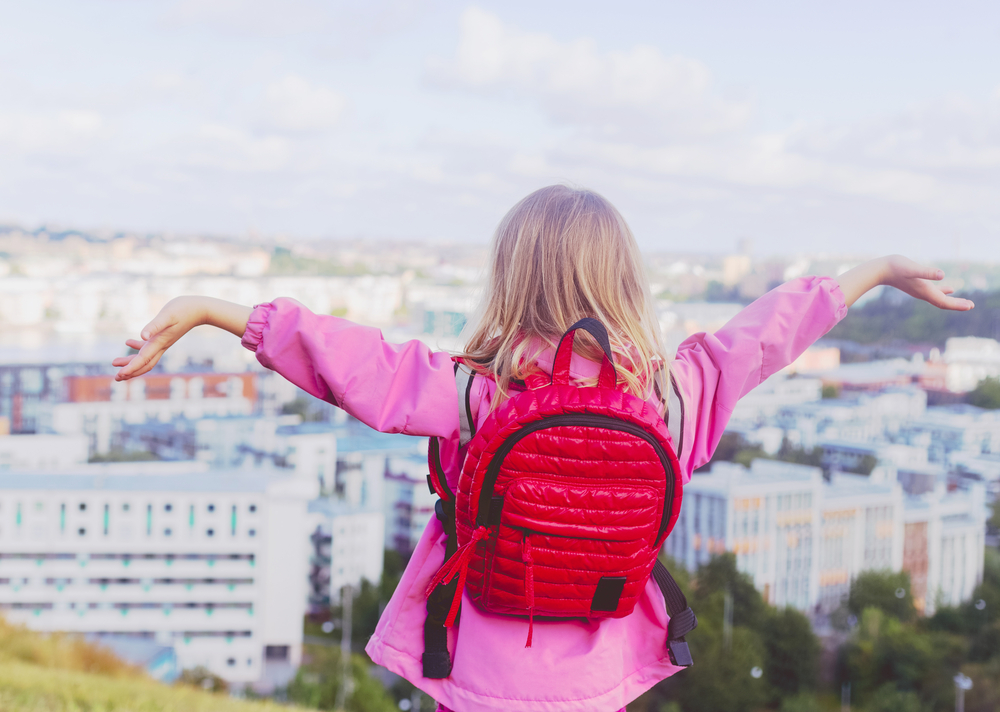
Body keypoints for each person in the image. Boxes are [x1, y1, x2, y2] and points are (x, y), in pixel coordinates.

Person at [113, 185, 973, 712]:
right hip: (600, 673)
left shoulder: (476, 394)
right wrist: (877, 271)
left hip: (481, 669)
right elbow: (764, 337)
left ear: (511, 278)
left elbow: (354, 364)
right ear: (627, 281)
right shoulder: (668, 401)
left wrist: (221, 312)